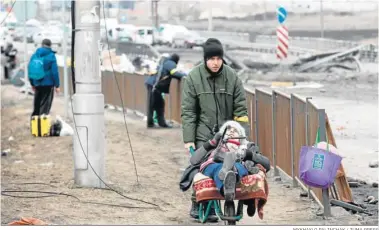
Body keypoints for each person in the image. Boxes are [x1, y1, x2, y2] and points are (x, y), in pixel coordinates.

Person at [181, 37, 250, 221]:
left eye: (218, 58)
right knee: (202, 167)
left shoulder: (232, 77)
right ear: (205, 59)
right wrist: (189, 139)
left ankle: (228, 194)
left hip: (228, 134)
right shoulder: (194, 78)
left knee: (229, 164)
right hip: (203, 132)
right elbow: (188, 111)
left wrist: (242, 136)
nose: (215, 63)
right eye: (211, 59)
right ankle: (199, 203)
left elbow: (241, 111)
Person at [190, 120, 270, 217]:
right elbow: (193, 160)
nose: (231, 131)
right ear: (222, 134)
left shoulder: (246, 147)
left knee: (238, 166)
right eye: (228, 129)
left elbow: (267, 164)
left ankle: (228, 178)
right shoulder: (216, 145)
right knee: (218, 167)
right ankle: (228, 177)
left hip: (237, 165)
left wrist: (248, 154)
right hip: (214, 165)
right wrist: (211, 143)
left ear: (241, 136)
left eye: (235, 130)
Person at [145, 53, 186, 128]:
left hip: (153, 84)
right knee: (153, 104)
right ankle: (152, 123)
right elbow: (174, 73)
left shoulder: (165, 62)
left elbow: (170, 74)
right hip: (154, 85)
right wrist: (185, 75)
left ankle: (160, 123)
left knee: (159, 104)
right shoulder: (171, 63)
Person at [28, 39, 60, 116]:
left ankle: (35, 126)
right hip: (48, 85)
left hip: (37, 83)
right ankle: (42, 126)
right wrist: (57, 85)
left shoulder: (34, 55)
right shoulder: (51, 56)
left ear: (42, 45)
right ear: (50, 46)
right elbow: (54, 72)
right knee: (45, 108)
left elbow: (30, 70)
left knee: (37, 107)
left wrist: (32, 83)